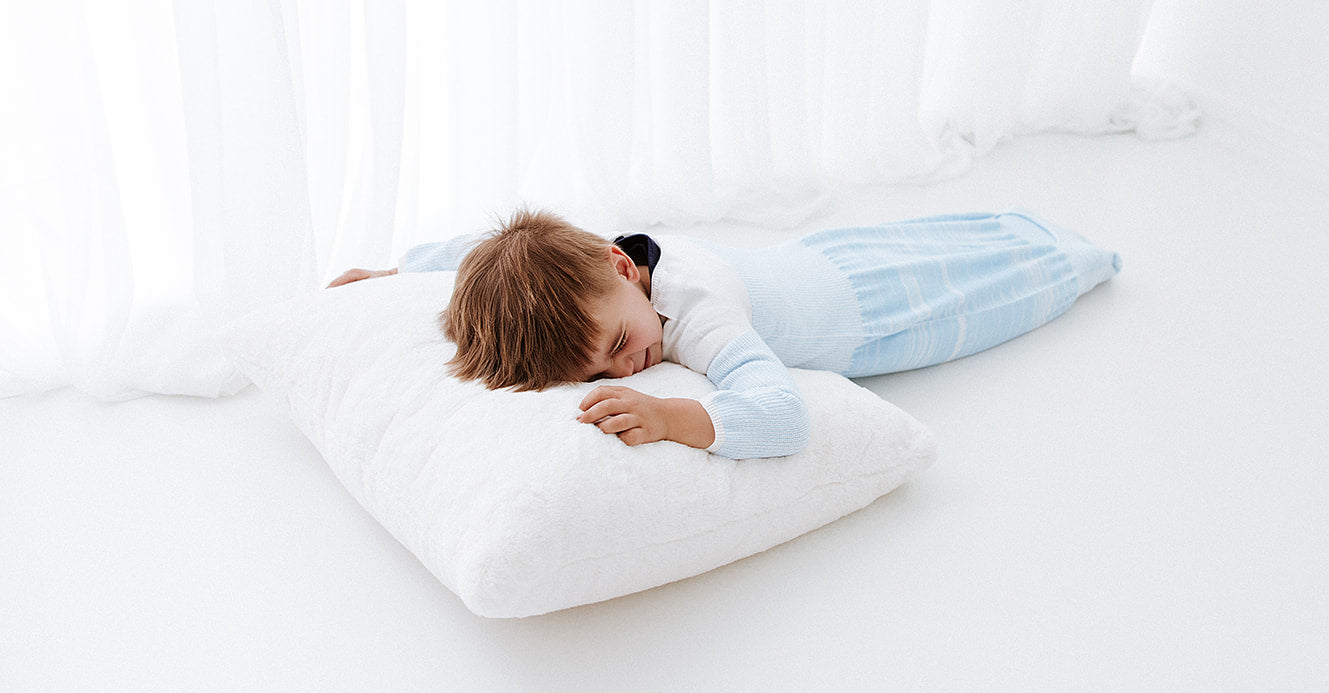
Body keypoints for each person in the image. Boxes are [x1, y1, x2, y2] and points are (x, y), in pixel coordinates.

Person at [328, 208, 1121, 460]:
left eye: (618, 344)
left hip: (877, 318)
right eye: (600, 371)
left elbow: (783, 414)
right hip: (813, 262)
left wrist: (675, 417)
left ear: (622, 267)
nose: (629, 367)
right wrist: (394, 272)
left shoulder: (697, 311)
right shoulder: (595, 270)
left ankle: (1078, 258)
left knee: (1001, 283)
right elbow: (477, 253)